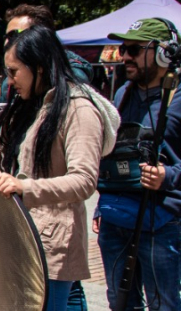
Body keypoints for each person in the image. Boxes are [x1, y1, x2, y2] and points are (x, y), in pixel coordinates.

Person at [0, 25, 118, 311]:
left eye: (14, 72)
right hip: (18, 237)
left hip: (51, 248)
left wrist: (24, 187)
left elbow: (84, 180)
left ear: (39, 66)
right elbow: (22, 162)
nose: (10, 80)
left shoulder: (78, 109)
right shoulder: (35, 105)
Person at [94, 18, 181, 311]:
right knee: (120, 304)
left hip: (162, 221)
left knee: (163, 305)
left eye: (133, 49)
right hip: (116, 217)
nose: (124, 56)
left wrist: (167, 175)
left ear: (163, 53)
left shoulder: (179, 97)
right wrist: (100, 203)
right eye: (122, 48)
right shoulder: (122, 93)